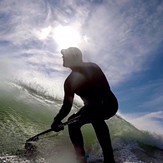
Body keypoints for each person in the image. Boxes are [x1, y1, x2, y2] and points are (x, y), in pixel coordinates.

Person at [51, 47, 118, 163]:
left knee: (96, 117)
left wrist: (94, 106)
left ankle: (109, 159)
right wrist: (57, 120)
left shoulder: (92, 68)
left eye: (65, 55)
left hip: (109, 103)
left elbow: (105, 89)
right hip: (90, 108)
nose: (62, 57)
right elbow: (67, 105)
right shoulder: (69, 82)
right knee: (73, 123)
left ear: (74, 57)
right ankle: (81, 159)